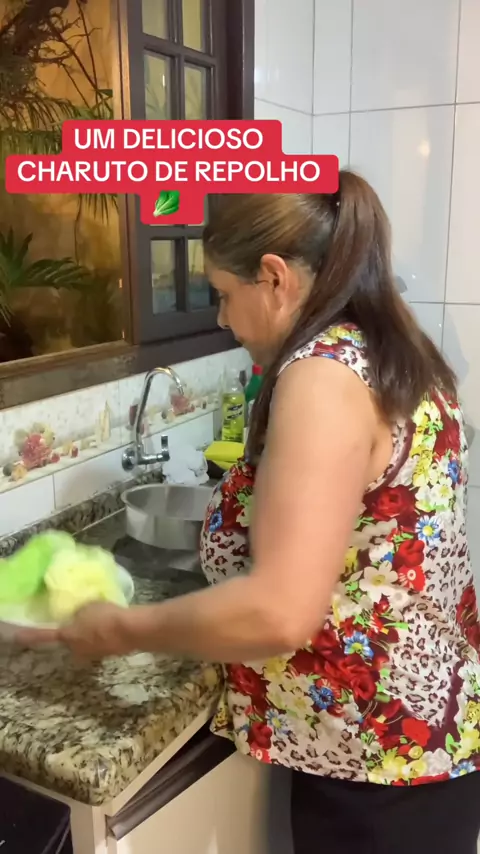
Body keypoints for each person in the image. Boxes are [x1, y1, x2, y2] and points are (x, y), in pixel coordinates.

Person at [22, 172, 480, 853]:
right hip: (409, 739)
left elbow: (278, 612)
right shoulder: (390, 349)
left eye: (223, 294)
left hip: (378, 767)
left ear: (274, 278)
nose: (220, 318)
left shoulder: (323, 375)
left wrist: (119, 628)